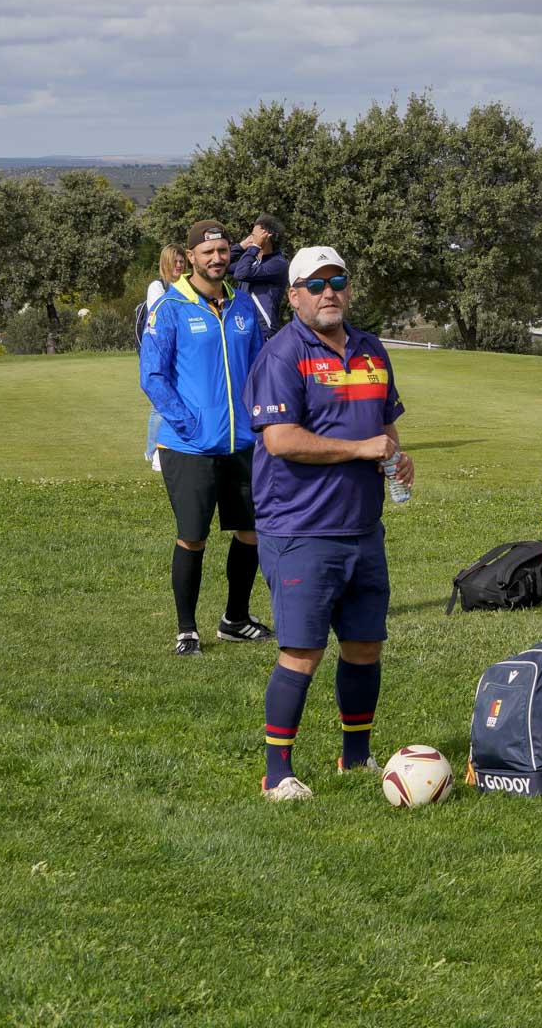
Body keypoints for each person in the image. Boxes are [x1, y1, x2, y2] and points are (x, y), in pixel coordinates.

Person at [243, 246, 411, 801]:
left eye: (337, 280)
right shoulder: (282, 355)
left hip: (363, 527)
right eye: (315, 285)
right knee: (302, 650)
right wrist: (361, 449)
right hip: (300, 528)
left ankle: (356, 757)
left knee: (365, 645)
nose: (328, 292)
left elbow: (385, 426)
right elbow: (281, 439)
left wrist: (394, 454)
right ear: (293, 296)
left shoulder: (370, 349)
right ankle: (277, 771)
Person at [137, 220, 272, 657]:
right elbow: (153, 377)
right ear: (190, 257)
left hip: (242, 445)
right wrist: (188, 424)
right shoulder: (171, 308)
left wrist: (261, 421)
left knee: (250, 532)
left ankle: (235, 619)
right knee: (193, 536)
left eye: (223, 250)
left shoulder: (243, 307)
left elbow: (258, 370)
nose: (217, 258)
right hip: (189, 446)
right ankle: (187, 630)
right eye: (208, 251)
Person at [141, 244, 188, 471]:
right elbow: (159, 316)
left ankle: (171, 447)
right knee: (159, 403)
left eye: (182, 261)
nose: (179, 266)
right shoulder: (158, 287)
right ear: (166, 263)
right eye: (175, 261)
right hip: (160, 351)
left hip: (181, 351)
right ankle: (152, 451)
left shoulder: (188, 286)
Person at [230, 214, 290, 333]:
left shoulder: (277, 264)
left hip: (262, 331)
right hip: (244, 326)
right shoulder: (253, 261)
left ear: (266, 237)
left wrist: (255, 246)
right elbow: (222, 265)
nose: (251, 239)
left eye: (254, 235)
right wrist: (241, 246)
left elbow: (241, 274)